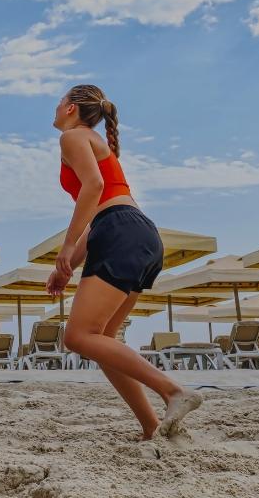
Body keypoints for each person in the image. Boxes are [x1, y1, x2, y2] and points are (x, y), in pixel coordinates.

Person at [45, 84, 202, 440]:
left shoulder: (73, 137)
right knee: (103, 342)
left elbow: (94, 187)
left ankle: (173, 391)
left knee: (78, 336)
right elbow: (103, 206)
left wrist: (66, 247)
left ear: (71, 108)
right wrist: (66, 265)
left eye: (59, 102)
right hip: (135, 232)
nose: (55, 108)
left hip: (119, 232)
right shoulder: (93, 141)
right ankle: (152, 427)